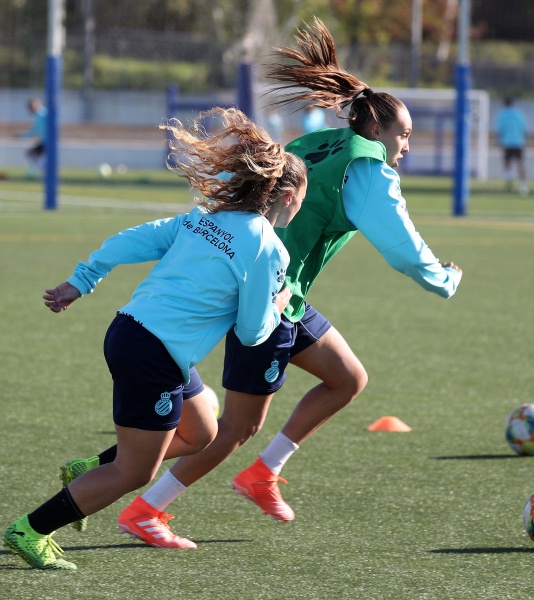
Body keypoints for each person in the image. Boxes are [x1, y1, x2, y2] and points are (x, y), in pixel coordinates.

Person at [60, 17, 462, 548]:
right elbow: (402, 249)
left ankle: (258, 474)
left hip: (286, 294)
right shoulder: (368, 169)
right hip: (268, 295)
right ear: (379, 132)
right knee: (234, 429)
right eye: (403, 136)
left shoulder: (323, 141)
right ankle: (144, 507)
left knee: (347, 378)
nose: (406, 146)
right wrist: (444, 279)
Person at [2, 106, 307, 571]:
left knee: (202, 428)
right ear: (286, 196)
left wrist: (82, 280)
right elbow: (251, 333)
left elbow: (134, 239)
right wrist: (279, 305)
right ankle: (31, 529)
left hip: (133, 331)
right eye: (302, 198)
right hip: (154, 354)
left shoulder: (206, 217)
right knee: (134, 472)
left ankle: (91, 467)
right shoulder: (267, 246)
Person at [496, 97, 528, 196]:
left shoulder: (503, 114)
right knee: (520, 164)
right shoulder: (519, 113)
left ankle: (509, 180)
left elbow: (501, 129)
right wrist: (524, 139)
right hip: (519, 142)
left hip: (507, 142)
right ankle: (523, 185)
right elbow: (524, 127)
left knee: (507, 163)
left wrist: (499, 140)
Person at [19, 97, 48, 178]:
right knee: (33, 154)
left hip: (47, 141)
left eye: (30, 107)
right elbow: (36, 130)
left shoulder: (42, 114)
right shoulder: (41, 114)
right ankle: (42, 172)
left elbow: (36, 130)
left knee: (31, 153)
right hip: (44, 140)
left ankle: (41, 172)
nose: (30, 109)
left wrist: (22, 135)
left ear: (36, 104)